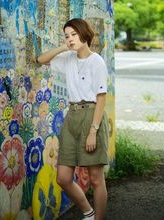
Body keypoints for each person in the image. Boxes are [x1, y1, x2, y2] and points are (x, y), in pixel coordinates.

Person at [37, 18, 109, 220]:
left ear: (84, 34)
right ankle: (88, 212)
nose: (70, 38)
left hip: (91, 115)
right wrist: (63, 46)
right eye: (67, 35)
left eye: (74, 34)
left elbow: (101, 98)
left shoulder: (97, 62)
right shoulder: (68, 58)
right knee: (63, 177)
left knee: (96, 178)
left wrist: (93, 131)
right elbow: (41, 59)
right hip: (72, 117)